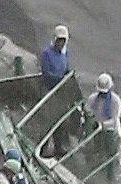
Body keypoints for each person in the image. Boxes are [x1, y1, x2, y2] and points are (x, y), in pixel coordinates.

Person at [40, 25, 71, 157]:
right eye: (59, 40)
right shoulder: (47, 54)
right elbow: (46, 73)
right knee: (48, 121)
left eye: (63, 40)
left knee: (60, 120)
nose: (61, 43)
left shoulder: (65, 55)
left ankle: (58, 147)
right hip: (49, 90)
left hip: (60, 92)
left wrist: (68, 76)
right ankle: (42, 148)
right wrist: (60, 79)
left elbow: (66, 69)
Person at [88, 73, 121, 181]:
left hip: (111, 130)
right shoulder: (93, 99)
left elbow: (114, 118)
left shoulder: (115, 100)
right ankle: (98, 176)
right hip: (97, 130)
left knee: (112, 154)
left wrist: (103, 124)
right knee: (97, 152)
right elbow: (90, 112)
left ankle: (112, 177)